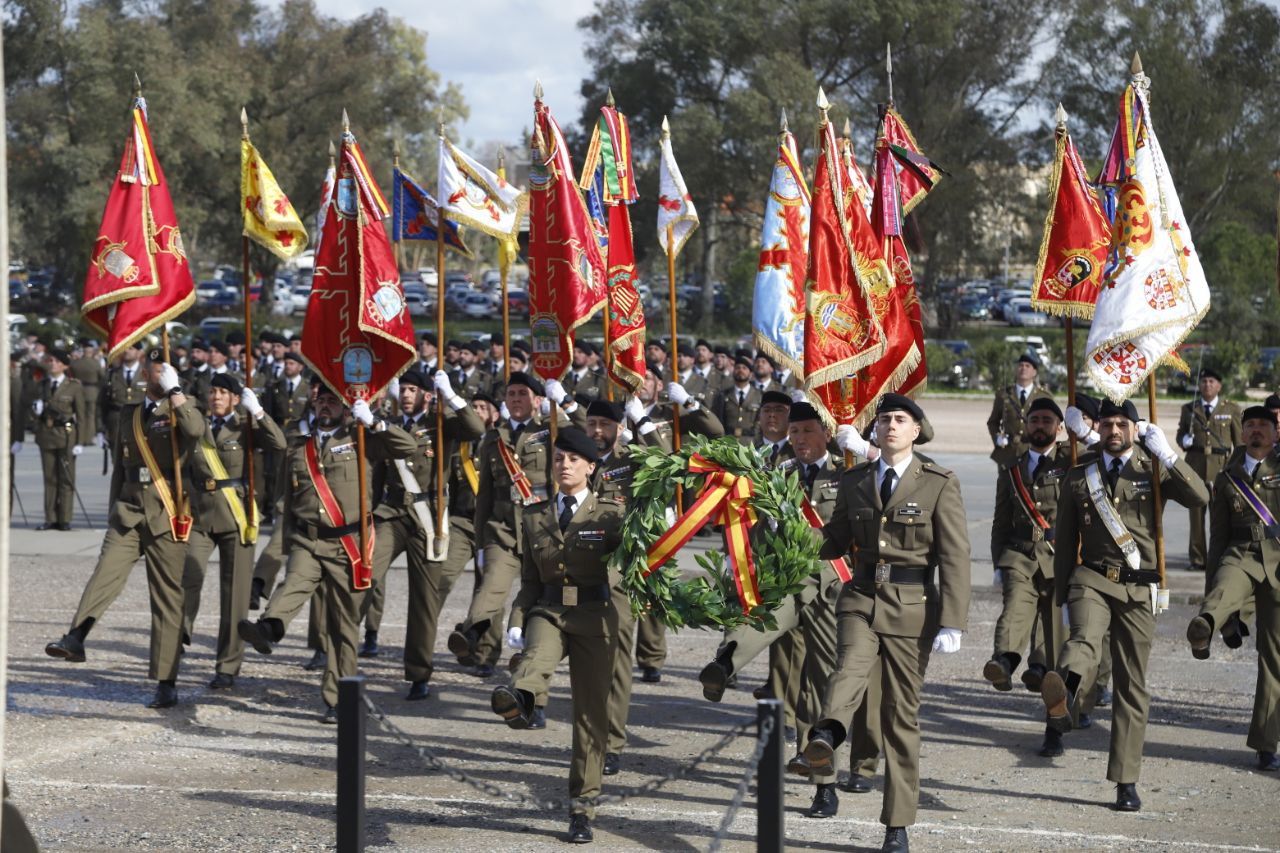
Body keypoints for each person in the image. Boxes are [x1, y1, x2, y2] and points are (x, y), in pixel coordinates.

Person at [801, 394, 970, 853]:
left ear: (917, 430)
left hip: (912, 608)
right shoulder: (855, 479)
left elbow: (954, 556)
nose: (890, 425)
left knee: (899, 716)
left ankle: (897, 823)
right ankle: (828, 733)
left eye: (900, 419)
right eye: (884, 419)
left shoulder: (937, 482)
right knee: (849, 669)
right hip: (860, 597)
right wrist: (790, 531)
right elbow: (833, 540)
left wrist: (953, 621)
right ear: (873, 429)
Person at [702, 402, 879, 818]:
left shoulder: (849, 471)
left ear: (827, 433)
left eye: (807, 430)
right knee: (779, 656)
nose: (799, 438)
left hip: (834, 588)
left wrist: (867, 450)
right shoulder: (777, 474)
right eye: (794, 431)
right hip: (788, 582)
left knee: (821, 687)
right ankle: (725, 662)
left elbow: (893, 482)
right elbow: (758, 527)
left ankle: (825, 786)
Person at [1042, 399, 1209, 812]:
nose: (1115, 430)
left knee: (1132, 687)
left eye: (1123, 424)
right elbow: (1065, 544)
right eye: (1108, 423)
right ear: (1097, 427)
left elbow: (1200, 496)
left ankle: (1125, 780)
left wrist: (1167, 453)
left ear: (1136, 429)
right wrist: (1063, 596)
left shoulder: (1152, 471)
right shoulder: (1081, 476)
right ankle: (1064, 690)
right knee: (1082, 641)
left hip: (1139, 588)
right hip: (1092, 579)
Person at [238, 385, 415, 721]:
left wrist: (376, 423)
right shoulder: (299, 445)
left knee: (343, 627)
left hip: (347, 544)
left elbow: (408, 446)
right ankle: (270, 627)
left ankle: (337, 699)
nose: (325, 406)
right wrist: (258, 413)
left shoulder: (361, 438)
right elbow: (282, 478)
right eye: (321, 400)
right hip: (309, 538)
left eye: (333, 401)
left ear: (346, 408)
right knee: (294, 582)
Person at [45, 347, 205, 709]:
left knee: (166, 599)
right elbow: (120, 464)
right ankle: (76, 636)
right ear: (146, 373)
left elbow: (196, 431)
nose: (159, 375)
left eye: (166, 370)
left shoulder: (184, 408)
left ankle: (166, 679)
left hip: (167, 514)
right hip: (129, 510)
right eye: (156, 370)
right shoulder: (131, 414)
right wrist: (113, 506)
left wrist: (177, 391)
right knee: (105, 573)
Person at [489, 427, 623, 844]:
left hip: (596, 615)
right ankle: (521, 700)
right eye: (559, 458)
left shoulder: (611, 514)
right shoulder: (534, 514)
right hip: (549, 608)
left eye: (573, 459)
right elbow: (529, 578)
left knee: (590, 717)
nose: (564, 465)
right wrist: (515, 618)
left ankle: (583, 807)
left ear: (591, 467)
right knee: (535, 655)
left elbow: (632, 566)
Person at [447, 373, 581, 676]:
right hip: (503, 529)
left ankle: (530, 656)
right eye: (511, 394)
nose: (516, 399)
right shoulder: (495, 438)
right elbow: (485, 498)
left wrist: (565, 404)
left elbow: (588, 435)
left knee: (541, 598)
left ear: (536, 400)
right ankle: (471, 632)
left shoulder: (552, 430)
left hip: (544, 529)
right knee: (492, 584)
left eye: (523, 393)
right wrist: (481, 543)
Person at [362, 370, 484, 699]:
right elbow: (374, 468)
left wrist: (452, 396)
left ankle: (419, 673)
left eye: (413, 389)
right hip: (392, 512)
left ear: (425, 394)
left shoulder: (440, 422)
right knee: (365, 573)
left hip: (429, 515)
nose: (406, 394)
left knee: (424, 600)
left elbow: (476, 429)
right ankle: (343, 651)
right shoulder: (387, 420)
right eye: (402, 388)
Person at [1187, 405, 1280, 771]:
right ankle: (1206, 625)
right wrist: (1209, 580)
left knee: (1274, 657)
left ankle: (1266, 741)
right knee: (1223, 585)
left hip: (1277, 560)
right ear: (1242, 434)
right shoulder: (1227, 478)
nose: (1256, 431)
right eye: (1251, 425)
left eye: (1264, 426)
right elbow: (1217, 539)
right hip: (1240, 552)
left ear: (1275, 433)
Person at [179, 374, 286, 689]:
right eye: (212, 391)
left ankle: (227, 666)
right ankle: (180, 632)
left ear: (236, 398)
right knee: (188, 576)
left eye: (224, 392)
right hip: (200, 514)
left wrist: (259, 413)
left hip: (236, 516)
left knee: (234, 596)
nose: (216, 397)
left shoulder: (245, 426)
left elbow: (279, 444)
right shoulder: (199, 424)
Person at [586, 398, 671, 776]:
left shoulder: (632, 458)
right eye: (592, 423)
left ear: (619, 428)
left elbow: (666, 461)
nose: (597, 431)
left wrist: (643, 420)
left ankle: (611, 742)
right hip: (574, 567)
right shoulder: (574, 454)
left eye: (606, 423)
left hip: (617, 570)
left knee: (616, 657)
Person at [985, 397, 1072, 756]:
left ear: (1059, 427)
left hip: (1059, 558)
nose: (1039, 425)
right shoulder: (1012, 467)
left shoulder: (1073, 460)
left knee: (1054, 641)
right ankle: (1004, 661)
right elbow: (1000, 520)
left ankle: (1054, 729)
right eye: (1034, 419)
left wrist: (1085, 430)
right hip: (1020, 554)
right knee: (1016, 608)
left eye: (1047, 420)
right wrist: (996, 563)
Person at [1176, 369, 1243, 572]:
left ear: (1219, 386)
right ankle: (1197, 559)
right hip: (1195, 466)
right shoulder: (1189, 408)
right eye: (1204, 381)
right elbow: (1181, 434)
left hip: (1221, 468)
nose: (1207, 385)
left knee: (1221, 518)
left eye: (1211, 381)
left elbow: (1239, 443)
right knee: (1196, 516)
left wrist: (1236, 471)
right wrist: (1183, 441)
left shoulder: (1231, 409)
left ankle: (1220, 557)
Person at [27, 348, 91, 531]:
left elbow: (82, 415)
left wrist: (81, 441)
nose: (52, 364)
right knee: (49, 478)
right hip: (46, 435)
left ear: (64, 365)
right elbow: (32, 411)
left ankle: (65, 518)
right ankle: (50, 518)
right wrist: (35, 411)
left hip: (67, 436)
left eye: (55, 361)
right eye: (50, 361)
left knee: (66, 479)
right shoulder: (42, 385)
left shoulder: (74, 386)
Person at [986, 352, 1053, 462]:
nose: (1023, 368)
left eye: (1027, 366)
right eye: (1020, 365)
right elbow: (993, 422)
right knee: (1007, 480)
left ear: (1034, 372)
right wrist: (997, 438)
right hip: (1008, 453)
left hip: (1034, 451)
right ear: (1016, 369)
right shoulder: (1003, 394)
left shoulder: (1044, 396)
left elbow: (1051, 424)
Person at [718, 354, 762, 443]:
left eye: (744, 368)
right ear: (733, 371)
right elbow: (720, 420)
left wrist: (756, 441)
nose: (740, 370)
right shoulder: (724, 395)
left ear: (751, 374)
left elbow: (760, 422)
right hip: (728, 442)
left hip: (751, 443)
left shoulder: (759, 395)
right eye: (737, 368)